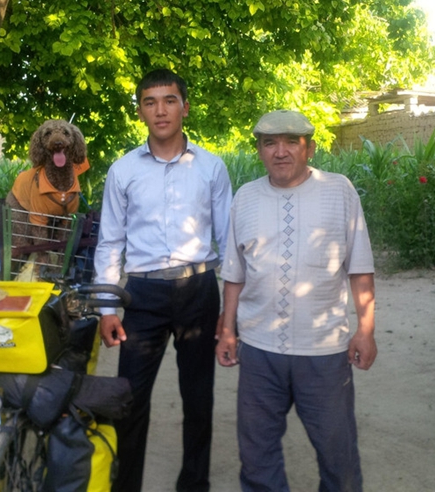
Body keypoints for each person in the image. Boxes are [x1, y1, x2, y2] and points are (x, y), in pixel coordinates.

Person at [215, 110, 377, 492]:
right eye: (270, 143)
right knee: (257, 456)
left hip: (323, 351)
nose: (280, 152)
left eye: (291, 142)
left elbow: (360, 267)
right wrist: (227, 331)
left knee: (339, 455)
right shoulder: (246, 197)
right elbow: (234, 273)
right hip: (258, 351)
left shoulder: (339, 190)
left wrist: (365, 330)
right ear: (259, 150)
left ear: (310, 148)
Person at [94, 69, 233, 492]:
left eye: (169, 100)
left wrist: (230, 311)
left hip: (199, 290)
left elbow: (229, 241)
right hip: (143, 294)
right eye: (151, 102)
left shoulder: (211, 167)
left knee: (198, 398)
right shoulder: (123, 171)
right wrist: (106, 309)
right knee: (130, 399)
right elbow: (109, 242)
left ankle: (194, 484)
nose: (161, 110)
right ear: (140, 110)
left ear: (184, 107)